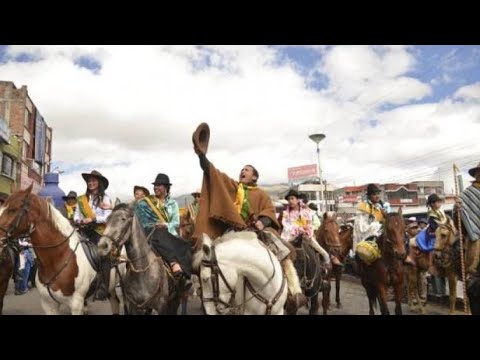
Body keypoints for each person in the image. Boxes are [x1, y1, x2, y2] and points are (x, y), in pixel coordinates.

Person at [192, 123, 307, 311]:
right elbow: (214, 175)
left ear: (254, 177)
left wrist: (262, 222)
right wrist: (202, 156)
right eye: (242, 170)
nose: (242, 171)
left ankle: (294, 291)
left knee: (282, 250)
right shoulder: (233, 187)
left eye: (247, 170)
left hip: (257, 231)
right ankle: (211, 295)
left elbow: (269, 210)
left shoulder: (261, 193)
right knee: (210, 256)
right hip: (234, 232)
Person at [134, 173, 192, 291]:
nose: (155, 187)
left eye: (159, 185)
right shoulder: (146, 202)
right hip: (150, 233)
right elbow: (141, 220)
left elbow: (176, 223)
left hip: (168, 233)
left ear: (166, 188)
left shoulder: (173, 204)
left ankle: (185, 279)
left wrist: (165, 225)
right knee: (157, 234)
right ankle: (173, 263)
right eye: (155, 185)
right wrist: (152, 226)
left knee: (186, 246)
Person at [353, 183, 414, 266]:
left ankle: (405, 256)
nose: (377, 196)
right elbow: (362, 225)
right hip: (370, 231)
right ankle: (366, 261)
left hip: (384, 229)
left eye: (378, 194)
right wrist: (377, 226)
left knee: (403, 235)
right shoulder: (363, 207)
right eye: (374, 194)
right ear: (369, 196)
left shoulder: (383, 206)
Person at [281, 189, 331, 266]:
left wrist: (305, 230)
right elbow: (286, 225)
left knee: (317, 246)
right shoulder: (286, 213)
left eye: (292, 198)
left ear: (297, 200)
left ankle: (326, 259)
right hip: (290, 236)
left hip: (305, 235)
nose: (290, 201)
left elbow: (308, 224)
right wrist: (296, 228)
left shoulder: (306, 211)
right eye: (289, 199)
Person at [74, 170, 112, 245]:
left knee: (101, 252)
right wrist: (80, 221)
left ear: (99, 183)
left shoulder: (105, 198)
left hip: (99, 232)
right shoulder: (81, 199)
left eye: (93, 181)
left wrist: (93, 219)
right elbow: (76, 215)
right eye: (89, 181)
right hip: (83, 230)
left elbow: (107, 217)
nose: (90, 183)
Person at [456, 161, 480, 276]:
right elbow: (460, 223)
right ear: (476, 175)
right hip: (475, 235)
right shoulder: (466, 194)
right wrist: (457, 210)